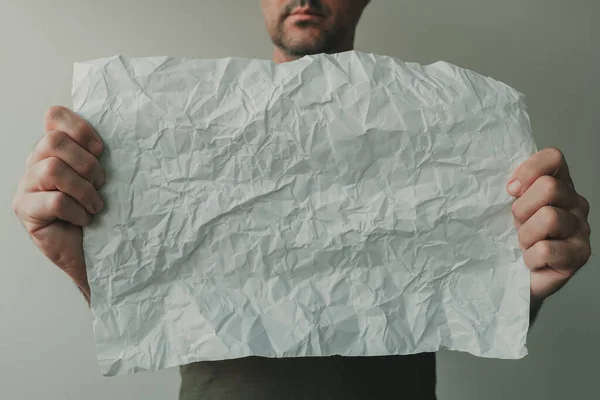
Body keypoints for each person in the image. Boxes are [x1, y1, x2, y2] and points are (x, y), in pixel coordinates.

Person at [12, 0, 591, 399]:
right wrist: (82, 262)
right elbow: (156, 305)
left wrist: (530, 279)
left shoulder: (456, 139)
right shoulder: (168, 141)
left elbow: (474, 300)